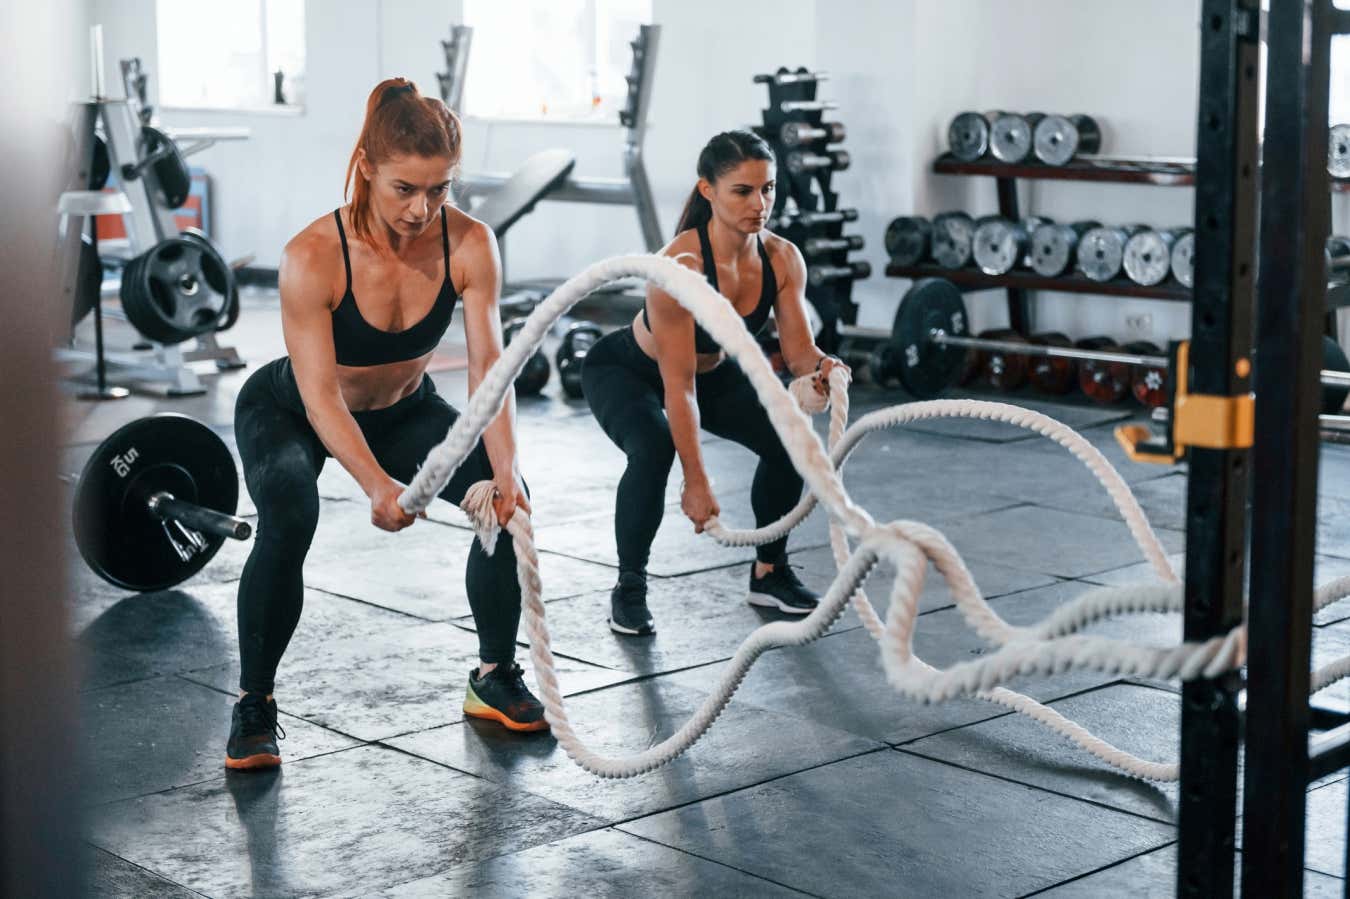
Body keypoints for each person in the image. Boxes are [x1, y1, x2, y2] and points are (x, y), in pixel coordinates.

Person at [226, 78, 545, 770]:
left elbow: (493, 371)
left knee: (504, 502)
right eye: (406, 188)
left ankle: (492, 676)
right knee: (290, 509)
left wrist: (506, 468)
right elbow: (320, 398)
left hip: (404, 407)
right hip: (292, 411)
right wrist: (375, 485)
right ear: (366, 166)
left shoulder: (470, 244)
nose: (422, 208)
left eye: (439, 189)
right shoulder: (312, 254)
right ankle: (255, 701)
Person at [581, 129, 848, 637]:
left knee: (790, 442)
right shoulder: (681, 267)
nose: (760, 203)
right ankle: (629, 590)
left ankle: (769, 573)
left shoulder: (782, 259)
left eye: (767, 188)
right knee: (654, 448)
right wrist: (696, 481)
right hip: (628, 371)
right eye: (743, 191)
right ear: (708, 191)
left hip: (713, 372)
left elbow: (797, 354)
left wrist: (826, 368)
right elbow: (677, 387)